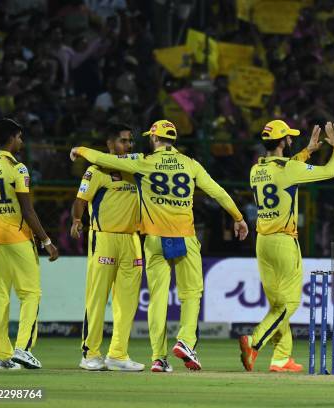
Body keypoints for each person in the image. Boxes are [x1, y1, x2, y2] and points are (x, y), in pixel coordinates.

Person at [70, 120, 248, 373]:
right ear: (174, 140)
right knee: (191, 295)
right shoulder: (191, 164)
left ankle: (158, 358)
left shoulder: (144, 162)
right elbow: (217, 192)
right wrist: (238, 218)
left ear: (154, 139)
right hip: (185, 236)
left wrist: (80, 150)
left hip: (153, 239)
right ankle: (186, 341)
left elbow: (105, 159)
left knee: (157, 299)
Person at [239, 120, 334, 372]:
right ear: (283, 141)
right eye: (289, 138)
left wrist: (307, 151)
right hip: (285, 241)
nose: (291, 141)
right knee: (290, 304)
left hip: (262, 242)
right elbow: (330, 171)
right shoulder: (289, 168)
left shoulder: (256, 169)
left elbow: (285, 168)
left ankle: (281, 357)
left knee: (277, 304)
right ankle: (254, 341)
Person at [0, 118, 59, 370]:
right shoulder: (18, 168)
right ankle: (22, 349)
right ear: (12, 138)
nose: (22, 142)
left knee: (0, 297)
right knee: (30, 294)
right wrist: (46, 241)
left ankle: (2, 356)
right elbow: (28, 210)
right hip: (16, 236)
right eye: (20, 137)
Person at [70, 123, 144, 371]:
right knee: (97, 298)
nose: (128, 145)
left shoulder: (136, 169)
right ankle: (90, 353)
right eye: (123, 141)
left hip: (132, 240)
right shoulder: (96, 170)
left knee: (127, 302)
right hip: (104, 238)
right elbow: (80, 200)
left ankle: (118, 355)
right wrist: (77, 220)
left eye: (130, 141)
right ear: (110, 145)